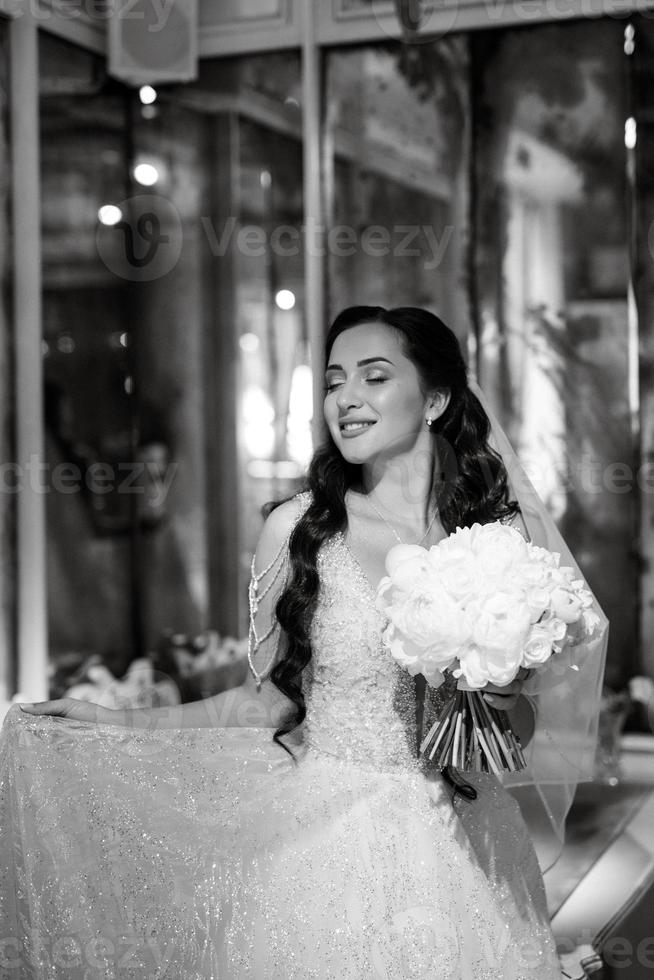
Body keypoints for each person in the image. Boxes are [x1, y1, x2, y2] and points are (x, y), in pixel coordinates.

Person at [0, 305, 603, 978]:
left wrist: (497, 689)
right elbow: (265, 703)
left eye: (374, 378)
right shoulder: (297, 529)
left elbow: (514, 730)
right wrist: (115, 723)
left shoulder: (498, 538)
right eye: (335, 380)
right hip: (329, 850)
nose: (346, 398)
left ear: (434, 399)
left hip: (470, 838)